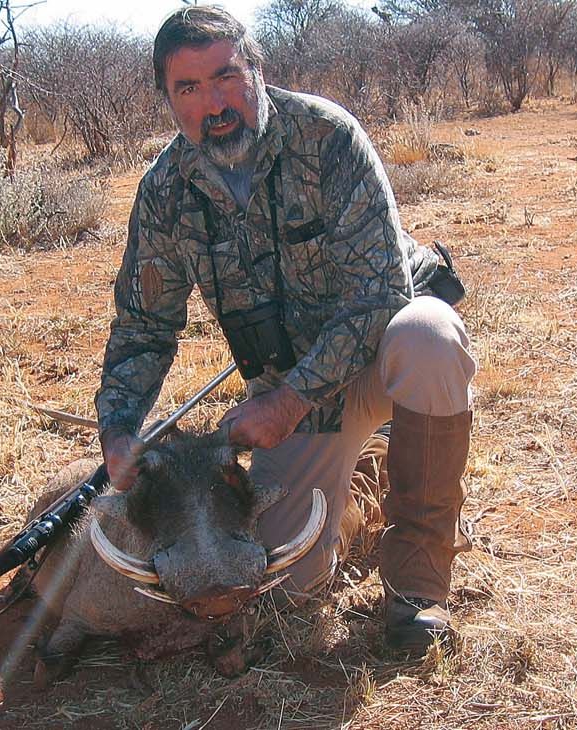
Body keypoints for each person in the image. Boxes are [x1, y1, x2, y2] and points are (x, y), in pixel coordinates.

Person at [94, 4, 476, 654]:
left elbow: (379, 294)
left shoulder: (328, 136)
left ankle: (417, 591)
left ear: (258, 71)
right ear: (166, 99)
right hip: (297, 399)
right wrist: (120, 427)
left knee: (430, 334)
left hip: (375, 356)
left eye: (225, 77)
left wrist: (290, 400)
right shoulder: (163, 191)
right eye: (188, 88)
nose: (214, 104)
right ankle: (369, 475)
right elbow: (142, 325)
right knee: (283, 586)